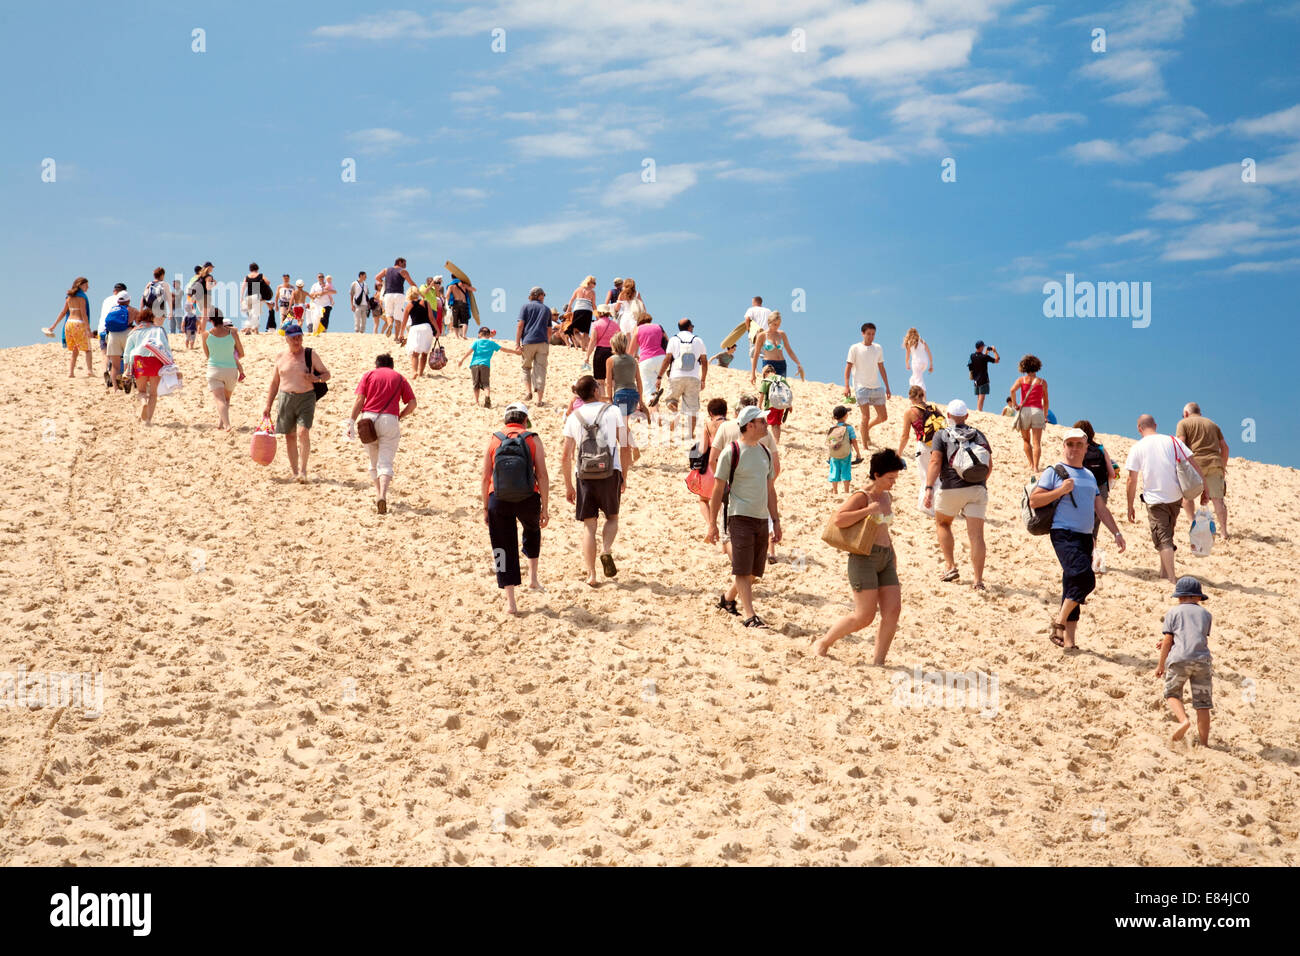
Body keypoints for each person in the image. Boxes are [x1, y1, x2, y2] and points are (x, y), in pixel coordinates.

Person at [1030, 429, 1126, 649]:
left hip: (1085, 536)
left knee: (1072, 585)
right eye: (1070, 444)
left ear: (1085, 447)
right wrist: (1061, 490)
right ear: (1063, 447)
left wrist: (1116, 533)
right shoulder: (1054, 471)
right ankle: (1059, 623)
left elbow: (1100, 507)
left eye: (1078, 444)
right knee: (1085, 579)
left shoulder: (1089, 475)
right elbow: (1035, 500)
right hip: (1063, 533)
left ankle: (1069, 642)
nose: (1074, 448)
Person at [810, 449, 906, 661]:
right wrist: (867, 510)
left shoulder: (887, 497)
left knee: (893, 612)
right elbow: (839, 519)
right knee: (864, 616)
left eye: (895, 478)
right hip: (864, 557)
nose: (893, 482)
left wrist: (893, 555)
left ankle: (879, 661)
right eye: (890, 478)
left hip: (886, 557)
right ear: (877, 474)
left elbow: (884, 530)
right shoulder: (862, 496)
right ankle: (824, 642)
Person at [705, 406, 780, 628]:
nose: (767, 425)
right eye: (762, 421)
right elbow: (717, 490)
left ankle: (727, 599)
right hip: (739, 517)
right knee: (742, 569)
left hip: (760, 518)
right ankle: (750, 615)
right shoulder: (732, 451)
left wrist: (775, 521)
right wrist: (712, 525)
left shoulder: (765, 452)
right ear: (749, 425)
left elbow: (770, 490)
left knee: (754, 573)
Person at [561, 375, 632, 587]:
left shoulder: (574, 417)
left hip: (584, 475)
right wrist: (624, 476)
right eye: (598, 386)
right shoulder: (613, 411)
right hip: (610, 472)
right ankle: (606, 550)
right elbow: (625, 445)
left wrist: (568, 486)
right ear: (594, 391)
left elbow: (566, 455)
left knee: (589, 526)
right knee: (612, 518)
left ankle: (591, 575)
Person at [482, 402, 550, 613]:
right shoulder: (532, 438)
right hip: (528, 496)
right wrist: (545, 507)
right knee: (532, 530)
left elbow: (485, 477)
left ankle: (510, 601)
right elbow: (542, 474)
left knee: (502, 546)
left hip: (498, 498)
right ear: (524, 420)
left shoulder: (495, 438)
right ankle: (533, 579)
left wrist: (486, 507)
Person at [1125, 414, 1202, 582]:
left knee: (1163, 538)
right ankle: (1164, 572)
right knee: (1167, 534)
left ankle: (1172, 577)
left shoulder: (1138, 447)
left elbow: (1132, 479)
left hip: (1155, 499)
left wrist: (1130, 505)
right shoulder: (1172, 441)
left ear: (1139, 429)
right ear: (1155, 425)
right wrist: (1205, 488)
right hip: (1175, 497)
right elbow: (1192, 462)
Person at [925, 399, 992, 589]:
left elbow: (935, 463)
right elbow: (989, 464)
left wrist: (929, 487)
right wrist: (980, 482)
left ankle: (950, 566)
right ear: (966, 416)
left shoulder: (942, 434)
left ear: (948, 416)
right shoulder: (978, 434)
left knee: (943, 523)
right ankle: (978, 581)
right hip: (977, 488)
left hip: (951, 487)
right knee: (977, 536)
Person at [350, 353, 417, 514]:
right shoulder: (400, 378)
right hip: (389, 419)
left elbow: (360, 400)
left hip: (368, 420)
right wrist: (400, 415)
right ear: (392, 365)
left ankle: (378, 493)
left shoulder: (369, 375)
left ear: (377, 364)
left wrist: (351, 421)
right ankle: (383, 495)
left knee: (373, 462)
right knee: (385, 462)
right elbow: (413, 404)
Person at [263, 322, 330, 482]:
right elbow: (274, 383)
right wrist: (268, 405)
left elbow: (327, 374)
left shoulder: (310, 354)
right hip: (285, 398)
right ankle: (295, 473)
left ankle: (303, 470)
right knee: (289, 436)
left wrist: (317, 378)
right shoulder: (280, 356)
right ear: (287, 339)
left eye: (300, 337)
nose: (297, 341)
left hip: (306, 397)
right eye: (294, 338)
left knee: (303, 432)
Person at [1156, 577, 1214, 746]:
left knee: (1172, 693)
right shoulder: (1206, 615)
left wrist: (1161, 665)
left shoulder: (1173, 612)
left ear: (1179, 597)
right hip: (1202, 660)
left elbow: (1168, 640)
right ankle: (1204, 743)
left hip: (1179, 659)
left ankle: (1183, 721)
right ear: (1198, 597)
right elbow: (1195, 636)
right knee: (1203, 705)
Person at [1176, 402, 1230, 540]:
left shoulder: (1184, 423)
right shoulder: (1212, 424)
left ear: (1186, 414)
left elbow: (1180, 445)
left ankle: (1193, 523)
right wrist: (1222, 467)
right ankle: (1224, 532)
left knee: (1187, 496)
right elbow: (1225, 448)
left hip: (1195, 464)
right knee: (1218, 501)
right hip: (1214, 464)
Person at [1075, 420, 1119, 571]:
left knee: (1083, 525)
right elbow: (1112, 474)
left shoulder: (1079, 449)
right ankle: (1095, 557)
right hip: (1101, 490)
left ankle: (1092, 557)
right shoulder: (1100, 448)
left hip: (1084, 489)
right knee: (1095, 526)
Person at [658, 318, 708, 444]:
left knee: (671, 400)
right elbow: (704, 361)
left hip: (676, 375)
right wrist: (703, 379)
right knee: (692, 407)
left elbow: (667, 359)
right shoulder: (698, 340)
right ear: (690, 327)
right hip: (693, 377)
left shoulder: (674, 339)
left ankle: (675, 412)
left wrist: (659, 376)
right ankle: (690, 435)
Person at [123, 308, 174, 426]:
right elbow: (166, 347)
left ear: (139, 319)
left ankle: (143, 402)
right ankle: (148, 420)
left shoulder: (134, 331)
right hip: (155, 360)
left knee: (141, 391)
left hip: (139, 360)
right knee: (153, 393)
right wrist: (171, 362)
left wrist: (126, 367)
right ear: (152, 318)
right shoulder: (159, 330)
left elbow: (127, 352)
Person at [844, 322, 891, 446]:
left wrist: (887, 387)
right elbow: (848, 367)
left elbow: (882, 367)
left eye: (873, 334)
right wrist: (847, 386)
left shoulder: (878, 348)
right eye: (868, 334)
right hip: (861, 387)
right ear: (863, 334)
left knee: (883, 417)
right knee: (866, 417)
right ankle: (865, 446)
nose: (871, 336)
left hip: (876, 386)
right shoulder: (854, 348)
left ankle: (866, 429)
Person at [897, 385, 940, 514]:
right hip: (938, 445)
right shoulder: (933, 408)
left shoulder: (910, 412)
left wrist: (899, 453)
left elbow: (905, 436)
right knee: (937, 477)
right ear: (922, 396)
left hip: (923, 446)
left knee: (925, 477)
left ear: (910, 397)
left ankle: (926, 508)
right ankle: (938, 507)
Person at [202, 311, 245, 431]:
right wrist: (229, 357)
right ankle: (221, 424)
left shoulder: (206, 335)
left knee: (220, 399)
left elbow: (208, 355)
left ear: (211, 320)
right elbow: (241, 353)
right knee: (226, 399)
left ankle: (226, 425)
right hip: (231, 370)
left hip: (214, 369)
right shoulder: (233, 333)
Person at [458, 326, 521, 407]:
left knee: (475, 384)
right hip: (485, 365)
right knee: (486, 384)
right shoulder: (491, 343)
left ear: (479, 334)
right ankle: (487, 396)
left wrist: (462, 360)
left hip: (474, 365)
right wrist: (515, 352)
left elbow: (469, 352)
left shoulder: (476, 342)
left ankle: (477, 402)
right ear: (488, 335)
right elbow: (504, 349)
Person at [1009, 354, 1048, 472]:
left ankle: (1031, 464)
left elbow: (1012, 390)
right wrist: (1045, 415)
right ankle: (1036, 467)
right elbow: (1046, 401)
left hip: (1025, 410)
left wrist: (1015, 404)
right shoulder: (1042, 382)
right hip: (1037, 411)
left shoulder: (1022, 380)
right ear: (1037, 366)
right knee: (1037, 443)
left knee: (1026, 440)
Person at [516, 286, 552, 405]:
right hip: (542, 342)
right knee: (540, 370)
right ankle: (539, 400)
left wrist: (517, 343)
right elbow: (549, 329)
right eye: (543, 295)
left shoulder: (525, 307)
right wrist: (547, 342)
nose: (544, 297)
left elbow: (520, 325)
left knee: (526, 367)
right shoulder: (546, 309)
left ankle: (528, 392)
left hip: (528, 341)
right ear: (539, 295)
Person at [51, 277, 94, 376]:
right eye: (86, 285)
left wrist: (54, 325)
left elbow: (63, 312)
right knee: (87, 349)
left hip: (69, 323)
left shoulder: (69, 297)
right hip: (78, 323)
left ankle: (71, 372)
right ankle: (90, 371)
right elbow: (84, 314)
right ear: (80, 285)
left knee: (75, 349)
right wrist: (88, 329)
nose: (88, 287)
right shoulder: (82, 297)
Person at [749, 310, 804, 383]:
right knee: (769, 388)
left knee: (781, 389)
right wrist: (753, 373)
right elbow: (756, 355)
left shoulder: (782, 334)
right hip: (768, 365)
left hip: (782, 365)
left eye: (779, 324)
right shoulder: (762, 335)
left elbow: (789, 351)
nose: (777, 327)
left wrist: (798, 363)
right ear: (769, 323)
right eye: (775, 324)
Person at [632, 313, 667, 419]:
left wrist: (634, 356)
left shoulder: (638, 329)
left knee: (649, 389)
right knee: (655, 385)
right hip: (661, 358)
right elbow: (667, 341)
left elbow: (631, 349)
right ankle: (656, 409)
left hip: (646, 360)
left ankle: (655, 415)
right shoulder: (658, 327)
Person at [606, 332, 646, 420]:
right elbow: (639, 381)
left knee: (618, 423)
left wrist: (609, 398)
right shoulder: (633, 360)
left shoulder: (610, 360)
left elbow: (608, 383)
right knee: (625, 422)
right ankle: (625, 433)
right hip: (633, 395)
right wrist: (641, 400)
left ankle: (621, 434)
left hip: (621, 394)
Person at [398, 287, 435, 377]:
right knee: (424, 353)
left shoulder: (409, 305)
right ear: (418, 293)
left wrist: (401, 333)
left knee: (415, 353)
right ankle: (421, 373)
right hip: (427, 328)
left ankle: (414, 371)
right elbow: (431, 318)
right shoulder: (426, 303)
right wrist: (437, 330)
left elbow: (404, 321)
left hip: (416, 329)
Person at [376, 258, 416, 340]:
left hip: (388, 294)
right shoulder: (403, 271)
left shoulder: (386, 270)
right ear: (399, 262)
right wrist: (417, 289)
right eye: (404, 263)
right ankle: (396, 337)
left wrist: (384, 282)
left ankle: (390, 324)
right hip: (399, 295)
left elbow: (377, 277)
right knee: (398, 317)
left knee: (389, 314)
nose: (405, 265)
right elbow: (411, 282)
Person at [103, 291, 135, 390]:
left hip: (113, 336)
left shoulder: (112, 310)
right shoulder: (131, 310)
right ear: (128, 300)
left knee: (115, 366)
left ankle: (115, 388)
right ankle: (127, 382)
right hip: (126, 335)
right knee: (128, 361)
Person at [826, 405, 862, 493]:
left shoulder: (832, 429)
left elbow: (830, 443)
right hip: (846, 453)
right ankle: (846, 491)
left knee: (834, 470)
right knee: (846, 470)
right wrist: (858, 453)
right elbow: (854, 441)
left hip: (834, 454)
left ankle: (835, 491)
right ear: (845, 416)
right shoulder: (849, 428)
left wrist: (829, 455)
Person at [585, 306, 620, 391]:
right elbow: (619, 340)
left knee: (600, 381)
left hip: (600, 352)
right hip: (613, 352)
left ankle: (603, 403)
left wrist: (587, 356)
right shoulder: (615, 325)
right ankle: (616, 401)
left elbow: (593, 341)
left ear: (599, 313)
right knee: (613, 381)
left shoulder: (595, 324)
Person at [758, 365, 792, 444]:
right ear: (774, 372)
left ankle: (776, 441)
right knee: (777, 423)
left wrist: (759, 405)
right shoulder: (782, 378)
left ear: (765, 373)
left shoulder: (766, 380)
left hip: (771, 405)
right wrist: (789, 405)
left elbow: (762, 394)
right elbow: (788, 392)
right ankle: (777, 440)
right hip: (782, 404)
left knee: (774, 424)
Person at [565, 276, 598, 350]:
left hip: (578, 311)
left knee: (575, 330)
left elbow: (571, 300)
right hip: (587, 311)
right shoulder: (592, 292)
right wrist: (597, 315)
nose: (595, 285)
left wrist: (568, 310)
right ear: (589, 283)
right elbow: (593, 305)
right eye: (594, 283)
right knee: (586, 331)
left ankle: (581, 344)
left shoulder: (578, 289)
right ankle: (583, 346)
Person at [967, 340, 1000, 411]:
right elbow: (997, 360)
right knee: (982, 396)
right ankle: (979, 410)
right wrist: (994, 351)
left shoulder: (972, 356)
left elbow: (971, 365)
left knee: (979, 397)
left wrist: (986, 353)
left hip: (976, 379)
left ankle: (978, 409)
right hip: (984, 379)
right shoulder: (984, 357)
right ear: (981, 347)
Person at [141, 267, 172, 334]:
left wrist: (141, 310)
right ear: (162, 275)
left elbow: (143, 297)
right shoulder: (164, 284)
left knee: (150, 329)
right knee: (158, 329)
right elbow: (169, 299)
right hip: (160, 309)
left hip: (149, 310)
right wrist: (171, 312)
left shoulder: (149, 284)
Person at [241, 263, 269, 334]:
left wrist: (241, 298)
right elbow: (268, 282)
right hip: (256, 295)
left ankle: (249, 327)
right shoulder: (260, 275)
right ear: (257, 268)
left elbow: (243, 287)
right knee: (256, 313)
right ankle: (254, 328)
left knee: (250, 313)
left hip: (248, 296)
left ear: (250, 269)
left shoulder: (247, 277)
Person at [447, 274, 476, 340]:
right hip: (463, 303)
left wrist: (448, 303)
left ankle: (457, 336)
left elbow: (447, 295)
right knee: (465, 320)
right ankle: (464, 335)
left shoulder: (451, 286)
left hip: (455, 303)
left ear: (452, 278)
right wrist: (468, 284)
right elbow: (474, 290)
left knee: (455, 320)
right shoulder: (463, 285)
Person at [743, 295, 771, 362]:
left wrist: (748, 330)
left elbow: (747, 319)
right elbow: (771, 321)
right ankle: (766, 369)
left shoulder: (751, 309)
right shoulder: (768, 311)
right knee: (766, 353)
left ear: (754, 302)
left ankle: (754, 370)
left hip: (755, 333)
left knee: (753, 352)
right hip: (765, 333)